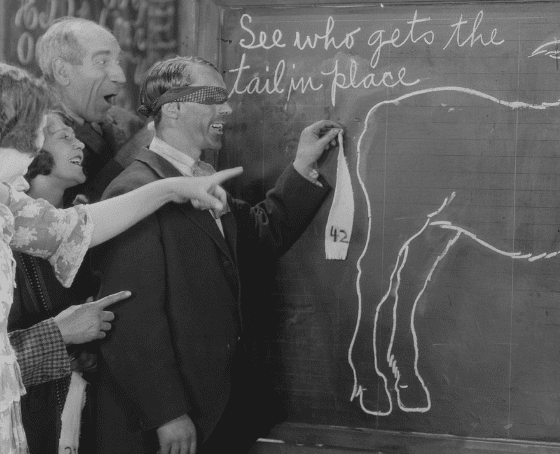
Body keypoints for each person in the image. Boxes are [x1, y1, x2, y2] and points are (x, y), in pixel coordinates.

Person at [89, 56, 340, 454]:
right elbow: (132, 317)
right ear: (173, 108)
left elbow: (259, 234)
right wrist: (167, 413)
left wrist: (303, 164)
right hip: (176, 421)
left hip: (220, 408)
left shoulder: (199, 176)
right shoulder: (135, 191)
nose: (227, 109)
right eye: (213, 98)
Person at [0, 63, 237, 454]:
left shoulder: (9, 204)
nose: (32, 160)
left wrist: (172, 187)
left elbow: (77, 226)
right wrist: (57, 335)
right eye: (30, 141)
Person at [9, 111, 129, 454]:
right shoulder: (9, 240)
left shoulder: (91, 228)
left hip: (87, 421)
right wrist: (61, 335)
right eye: (64, 137)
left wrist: (90, 353)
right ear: (29, 151)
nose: (80, 144)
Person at [35, 18, 152, 202]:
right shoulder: (31, 133)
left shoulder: (129, 123)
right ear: (62, 71)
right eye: (102, 62)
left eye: (117, 62)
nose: (120, 77)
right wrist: (133, 151)